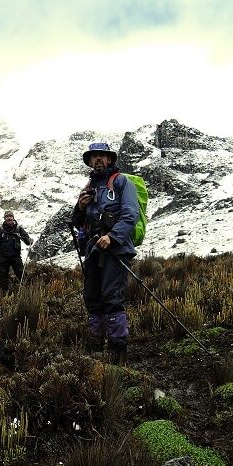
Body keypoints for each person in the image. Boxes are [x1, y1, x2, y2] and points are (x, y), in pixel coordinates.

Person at [71, 142, 141, 354]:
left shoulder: (121, 182)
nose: (98, 159)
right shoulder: (88, 188)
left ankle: (117, 349)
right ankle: (95, 346)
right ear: (90, 161)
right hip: (93, 251)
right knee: (92, 297)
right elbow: (76, 222)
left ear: (109, 159)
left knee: (112, 297)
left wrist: (112, 237)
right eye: (94, 156)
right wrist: (80, 208)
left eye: (102, 155)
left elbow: (131, 214)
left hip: (115, 251)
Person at [0, 210, 33, 293]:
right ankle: (4, 294)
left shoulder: (18, 229)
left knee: (20, 273)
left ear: (13, 218)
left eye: (10, 216)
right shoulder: (1, 230)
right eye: (7, 216)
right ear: (5, 218)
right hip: (3, 257)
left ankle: (28, 290)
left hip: (15, 256)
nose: (9, 218)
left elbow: (26, 240)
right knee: (3, 276)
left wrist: (29, 240)